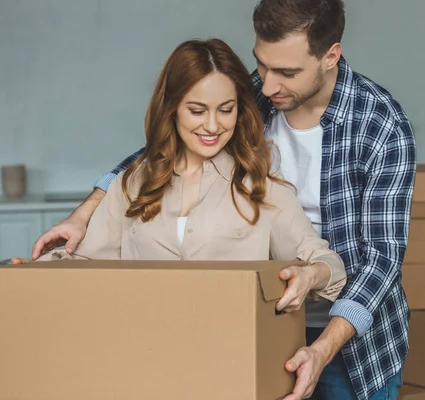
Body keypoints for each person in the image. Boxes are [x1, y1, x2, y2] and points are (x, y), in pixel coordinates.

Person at [30, 1, 417, 399]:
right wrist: (84, 213)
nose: (266, 87)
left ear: (330, 55)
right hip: (262, 331)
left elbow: (381, 260)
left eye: (285, 72)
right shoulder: (248, 91)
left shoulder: (380, 125)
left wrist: (320, 343)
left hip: (348, 337)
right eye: (261, 65)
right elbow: (159, 155)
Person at [13, 38, 347, 318]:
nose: (213, 126)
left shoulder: (260, 185)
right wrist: (33, 273)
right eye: (198, 111)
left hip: (232, 367)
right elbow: (84, 262)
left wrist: (308, 275)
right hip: (144, 362)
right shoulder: (133, 183)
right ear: (172, 109)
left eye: (226, 109)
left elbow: (327, 264)